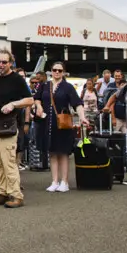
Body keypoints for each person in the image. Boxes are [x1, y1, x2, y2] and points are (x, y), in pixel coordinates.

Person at [0, 49, 33, 208]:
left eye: (4, 62)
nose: (1, 65)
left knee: (8, 161)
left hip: (8, 126)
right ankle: (2, 192)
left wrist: (13, 104)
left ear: (10, 63)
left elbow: (30, 100)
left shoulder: (17, 79)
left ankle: (16, 194)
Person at [31, 62, 86, 192]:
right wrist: (38, 107)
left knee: (63, 152)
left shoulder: (68, 87)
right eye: (54, 70)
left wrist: (82, 117)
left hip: (62, 124)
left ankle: (64, 181)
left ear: (64, 73)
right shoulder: (44, 85)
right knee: (52, 152)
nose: (57, 72)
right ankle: (54, 181)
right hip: (47, 122)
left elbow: (77, 103)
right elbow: (37, 98)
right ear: (51, 71)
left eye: (60, 71)